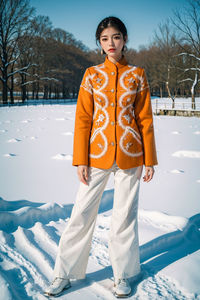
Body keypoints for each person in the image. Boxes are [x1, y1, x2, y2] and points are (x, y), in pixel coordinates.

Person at [44, 16, 158, 298]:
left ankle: (124, 275)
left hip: (131, 156)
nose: (111, 43)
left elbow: (145, 119)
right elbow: (83, 119)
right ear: (99, 42)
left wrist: (150, 158)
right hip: (96, 156)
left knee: (124, 218)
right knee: (80, 214)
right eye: (105, 38)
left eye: (116, 37)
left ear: (125, 39)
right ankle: (64, 273)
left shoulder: (137, 74)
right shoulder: (91, 74)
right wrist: (80, 159)